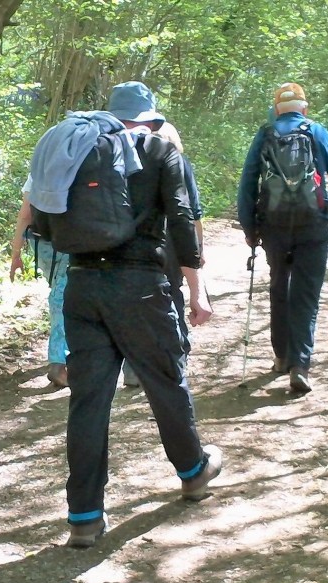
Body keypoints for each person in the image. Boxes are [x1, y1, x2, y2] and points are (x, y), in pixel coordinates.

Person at [29, 81, 221, 548]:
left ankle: (84, 517)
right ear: (150, 117)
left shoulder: (74, 149)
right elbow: (182, 220)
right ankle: (194, 472)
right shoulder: (160, 150)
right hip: (140, 287)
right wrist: (197, 291)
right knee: (164, 381)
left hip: (82, 286)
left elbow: (41, 222)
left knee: (89, 401)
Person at [237, 82, 328, 393]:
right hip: (312, 225)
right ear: (305, 108)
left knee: (279, 286)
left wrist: (249, 228)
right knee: (306, 293)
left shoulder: (265, 134)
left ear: (276, 110)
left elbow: (247, 183)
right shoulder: (317, 132)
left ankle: (281, 356)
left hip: (273, 226)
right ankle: (300, 364)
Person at [122, 121, 205, 387]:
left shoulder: (125, 157)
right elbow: (191, 213)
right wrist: (196, 252)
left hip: (132, 243)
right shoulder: (178, 162)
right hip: (168, 243)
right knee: (171, 295)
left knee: (132, 301)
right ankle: (175, 359)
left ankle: (134, 368)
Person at [9, 176, 70, 388]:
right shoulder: (84, 160)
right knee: (63, 297)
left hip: (40, 241)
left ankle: (62, 355)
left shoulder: (40, 168)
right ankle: (59, 362)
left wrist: (16, 253)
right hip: (72, 239)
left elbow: (25, 215)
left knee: (60, 292)